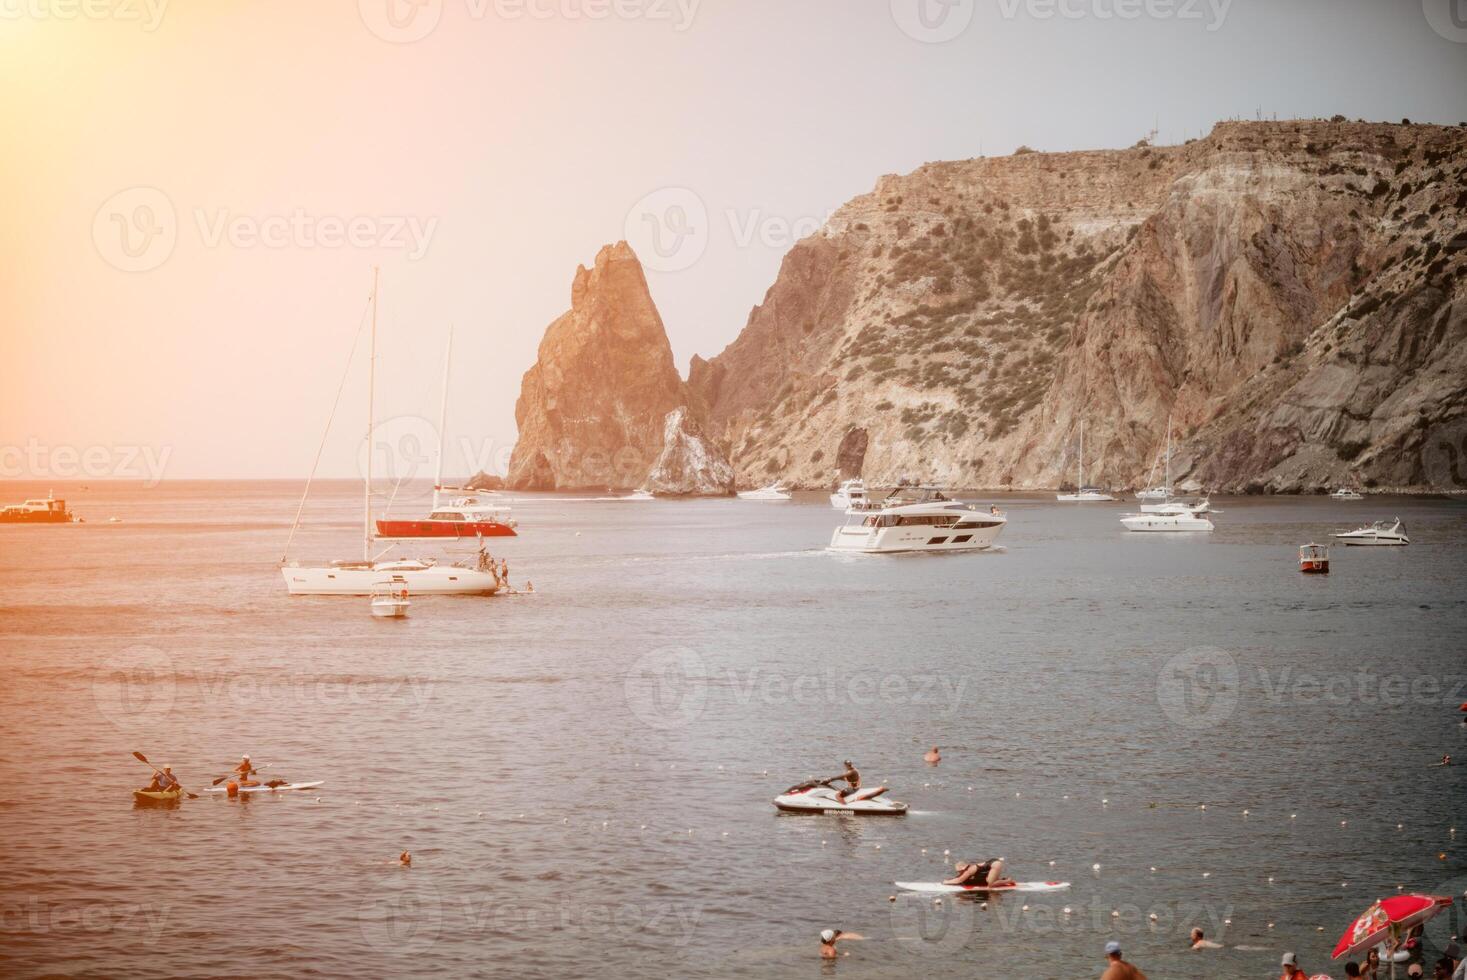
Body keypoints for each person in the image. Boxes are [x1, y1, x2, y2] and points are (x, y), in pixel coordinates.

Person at [943, 858, 1011, 888]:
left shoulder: (969, 870)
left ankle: (1008, 880)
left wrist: (947, 882)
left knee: (990, 885)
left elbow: (959, 880)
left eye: (959, 871)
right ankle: (1000, 880)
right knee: (988, 880)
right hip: (993, 864)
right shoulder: (969, 869)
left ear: (963, 868)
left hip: (995, 864)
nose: (959, 873)